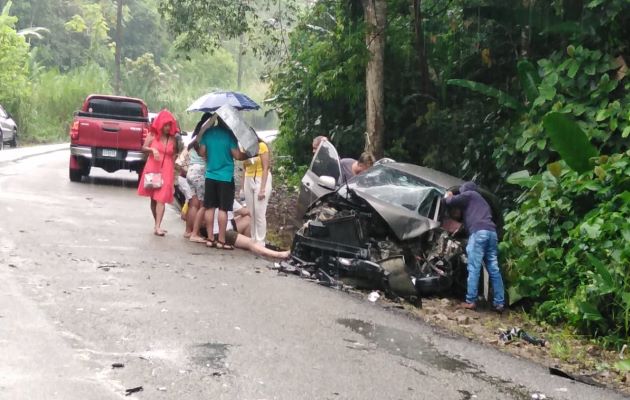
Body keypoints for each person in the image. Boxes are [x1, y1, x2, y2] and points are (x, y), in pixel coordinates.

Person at [444, 182, 505, 312]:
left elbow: (449, 201)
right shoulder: (482, 203)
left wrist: (449, 195)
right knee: (494, 269)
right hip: (491, 234)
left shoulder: (470, 195)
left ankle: (470, 301)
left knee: (474, 267)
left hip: (479, 234)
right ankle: (499, 303)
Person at [196, 115, 248, 249]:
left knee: (209, 207)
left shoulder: (207, 133)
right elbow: (237, 155)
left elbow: (202, 153)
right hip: (225, 177)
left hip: (210, 175)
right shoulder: (230, 135)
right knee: (223, 209)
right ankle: (221, 240)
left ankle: (209, 238)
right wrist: (248, 154)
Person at [137, 109, 179, 236]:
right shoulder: (153, 135)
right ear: (160, 124)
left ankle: (158, 226)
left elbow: (175, 154)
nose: (167, 128)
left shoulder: (173, 139)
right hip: (153, 168)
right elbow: (143, 148)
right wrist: (152, 150)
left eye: (169, 125)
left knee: (161, 198)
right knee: (153, 199)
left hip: (167, 169)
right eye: (165, 125)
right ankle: (157, 223)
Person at [186, 113, 213, 242]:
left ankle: (188, 231)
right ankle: (195, 234)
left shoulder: (195, 137)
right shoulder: (206, 137)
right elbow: (206, 156)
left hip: (190, 170)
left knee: (193, 204)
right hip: (200, 171)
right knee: (203, 205)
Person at [241, 138, 272, 245]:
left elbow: (265, 167)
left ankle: (261, 240)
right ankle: (253, 238)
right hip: (248, 178)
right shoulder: (244, 149)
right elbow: (244, 168)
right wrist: (242, 188)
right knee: (251, 212)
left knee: (259, 212)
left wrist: (262, 188)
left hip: (260, 178)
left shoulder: (262, 146)